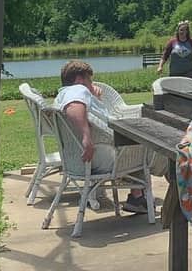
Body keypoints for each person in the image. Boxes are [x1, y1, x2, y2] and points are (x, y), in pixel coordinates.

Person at [55, 61, 147, 214]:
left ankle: (138, 196)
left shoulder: (62, 95)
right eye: (89, 80)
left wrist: (94, 97)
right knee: (153, 149)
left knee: (139, 146)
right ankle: (151, 195)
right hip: (97, 156)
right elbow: (74, 107)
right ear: (79, 79)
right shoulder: (76, 90)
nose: (91, 84)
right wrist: (86, 137)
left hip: (78, 158)